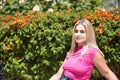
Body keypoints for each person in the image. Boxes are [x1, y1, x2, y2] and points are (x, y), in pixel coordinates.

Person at [49, 19, 118, 80]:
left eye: (82, 32)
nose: (78, 34)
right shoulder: (71, 52)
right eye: (76, 31)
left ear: (88, 34)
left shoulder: (92, 52)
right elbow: (58, 76)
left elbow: (107, 73)